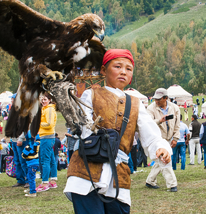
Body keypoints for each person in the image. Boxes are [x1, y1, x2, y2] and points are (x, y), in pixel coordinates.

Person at [64, 49, 172, 213]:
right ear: (103, 70)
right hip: (86, 170)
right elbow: (83, 125)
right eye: (117, 66)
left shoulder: (136, 104)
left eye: (128, 69)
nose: (123, 71)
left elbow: (151, 133)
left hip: (118, 174)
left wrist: (160, 147)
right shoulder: (90, 94)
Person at [145, 87, 179, 192]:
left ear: (166, 98)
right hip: (157, 139)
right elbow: (148, 124)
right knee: (164, 160)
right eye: (155, 99)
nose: (156, 101)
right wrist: (160, 120)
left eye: (159, 99)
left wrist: (176, 138)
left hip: (169, 138)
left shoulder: (175, 108)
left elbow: (177, 124)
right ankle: (172, 184)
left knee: (160, 161)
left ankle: (150, 181)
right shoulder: (151, 108)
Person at [36, 93, 58, 192]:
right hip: (47, 136)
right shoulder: (46, 109)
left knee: (45, 160)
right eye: (42, 99)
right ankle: (53, 180)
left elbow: (49, 124)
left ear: (49, 99)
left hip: (47, 136)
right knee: (51, 159)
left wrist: (38, 124)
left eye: (45, 99)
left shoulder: (49, 109)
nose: (43, 101)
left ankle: (45, 182)